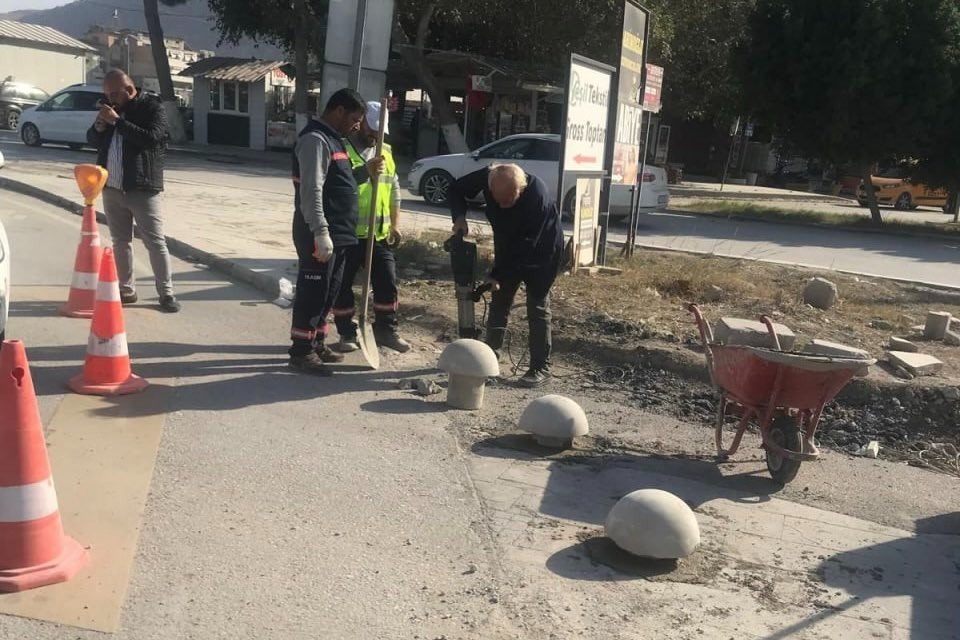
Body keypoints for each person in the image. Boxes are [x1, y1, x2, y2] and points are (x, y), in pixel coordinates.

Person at [449, 163, 564, 387]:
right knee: (499, 300)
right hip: (508, 244)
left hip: (541, 249)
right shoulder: (488, 176)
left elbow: (526, 246)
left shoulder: (536, 194)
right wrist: (459, 217)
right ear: (490, 187)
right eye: (497, 199)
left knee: (537, 306)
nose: (502, 205)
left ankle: (541, 367)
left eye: (509, 200)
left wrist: (497, 274)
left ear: (520, 189)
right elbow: (455, 189)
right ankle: (489, 362)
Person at [288, 88, 368, 375]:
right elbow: (311, 190)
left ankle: (317, 341)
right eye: (355, 119)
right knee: (313, 291)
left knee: (328, 293)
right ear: (339, 111)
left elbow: (338, 184)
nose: (357, 125)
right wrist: (321, 231)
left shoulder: (335, 140)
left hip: (340, 233)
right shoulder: (314, 140)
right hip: (319, 233)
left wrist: (365, 172)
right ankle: (300, 351)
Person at [87, 69, 180, 312]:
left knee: (155, 242)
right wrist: (99, 127)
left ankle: (166, 293)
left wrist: (117, 121)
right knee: (120, 241)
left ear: (130, 90)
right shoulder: (110, 111)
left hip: (142, 187)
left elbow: (151, 138)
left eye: (115, 93)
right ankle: (126, 289)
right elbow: (93, 142)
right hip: (113, 188)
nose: (111, 98)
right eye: (107, 94)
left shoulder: (151, 108)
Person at [332, 101, 410, 354]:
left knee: (387, 281)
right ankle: (346, 332)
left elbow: (394, 190)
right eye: (371, 128)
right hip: (349, 233)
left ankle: (386, 330)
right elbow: (337, 187)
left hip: (379, 233)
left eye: (380, 131)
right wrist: (365, 172)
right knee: (342, 285)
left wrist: (395, 225)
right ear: (361, 122)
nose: (375, 135)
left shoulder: (385, 151)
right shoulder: (342, 149)